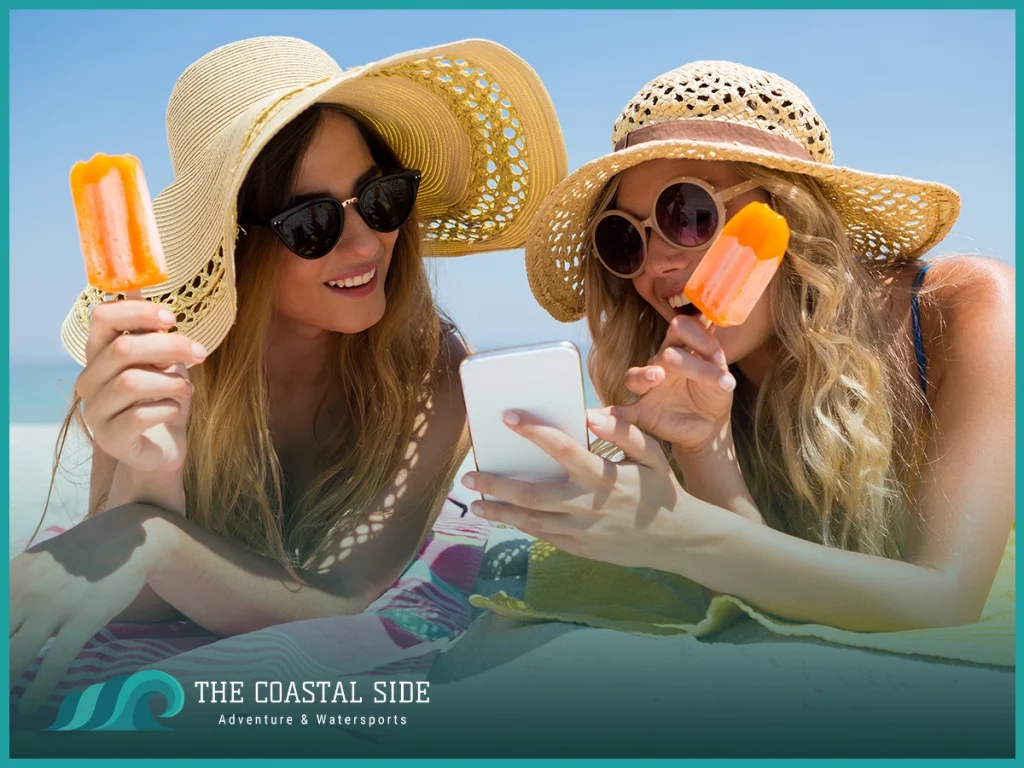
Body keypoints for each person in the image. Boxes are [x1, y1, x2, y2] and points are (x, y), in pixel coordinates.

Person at [10, 35, 566, 712]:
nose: (365, 244)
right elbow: (132, 602)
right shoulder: (158, 357)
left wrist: (154, 539)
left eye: (381, 197)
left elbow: (344, 595)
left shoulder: (433, 374)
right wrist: (152, 481)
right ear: (233, 245)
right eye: (311, 223)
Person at [463, 60, 1014, 634]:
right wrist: (703, 448)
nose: (657, 264)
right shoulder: (649, 368)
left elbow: (947, 603)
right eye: (624, 238)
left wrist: (678, 531)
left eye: (688, 214)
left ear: (789, 213)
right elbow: (751, 603)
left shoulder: (961, 307)